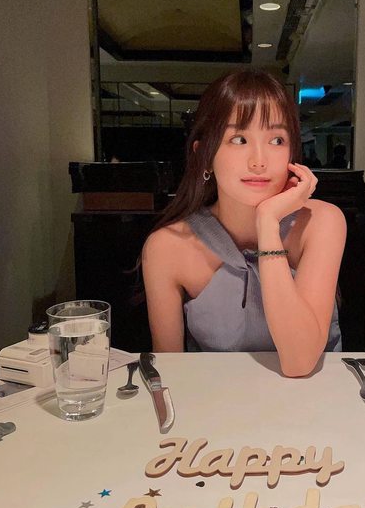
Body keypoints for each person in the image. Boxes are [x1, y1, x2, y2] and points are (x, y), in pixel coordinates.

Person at [141, 69, 347, 377]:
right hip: (216, 402)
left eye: (276, 140)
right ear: (205, 155)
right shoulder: (167, 247)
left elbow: (300, 361)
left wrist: (268, 223)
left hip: (314, 401)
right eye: (239, 139)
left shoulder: (322, 222)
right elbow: (167, 374)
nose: (259, 160)